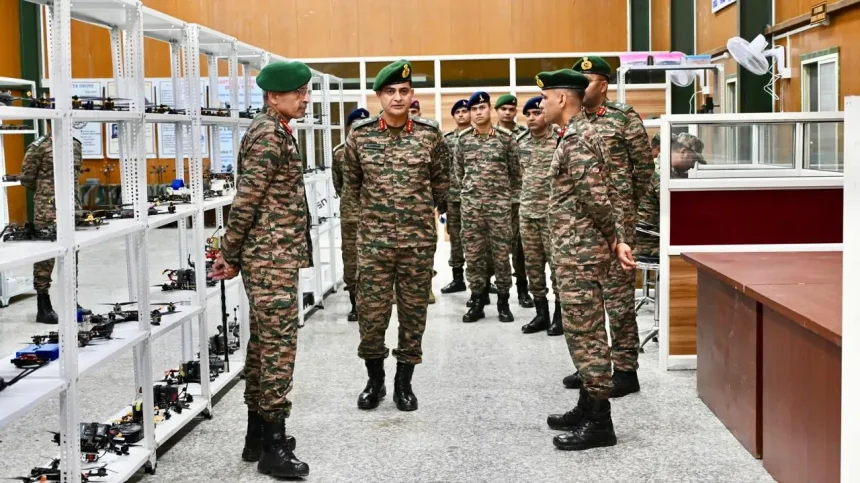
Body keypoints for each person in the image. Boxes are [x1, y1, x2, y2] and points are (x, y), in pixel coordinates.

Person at [210, 60, 313, 479]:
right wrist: (229, 254)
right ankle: (273, 445)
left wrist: (235, 253)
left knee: (263, 345)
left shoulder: (272, 129)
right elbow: (247, 201)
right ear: (275, 96)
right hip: (270, 258)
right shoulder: (270, 135)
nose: (305, 98)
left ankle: (256, 436)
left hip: (272, 255)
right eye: (299, 92)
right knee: (277, 349)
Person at [535, 68, 636, 451]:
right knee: (583, 333)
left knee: (586, 335)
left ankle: (599, 422)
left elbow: (596, 198)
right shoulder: (575, 133)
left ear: (562, 98)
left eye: (546, 97)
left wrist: (614, 239)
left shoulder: (576, 138)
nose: (542, 103)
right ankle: (586, 405)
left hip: (581, 252)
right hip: (577, 248)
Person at [343, 59, 450, 412]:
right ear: (379, 96)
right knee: (371, 316)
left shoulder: (430, 134)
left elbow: (441, 184)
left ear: (412, 95)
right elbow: (352, 189)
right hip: (373, 245)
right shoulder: (360, 135)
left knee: (413, 314)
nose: (398, 98)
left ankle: (404, 382)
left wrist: (416, 215)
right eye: (390, 92)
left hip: (417, 243)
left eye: (404, 91)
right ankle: (375, 380)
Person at [561, 56, 653, 397]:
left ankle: (626, 369)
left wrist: (626, 210)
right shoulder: (573, 120)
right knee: (586, 298)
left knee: (617, 300)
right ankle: (591, 367)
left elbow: (644, 170)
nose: (580, 86)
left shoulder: (623, 118)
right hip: (584, 225)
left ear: (604, 84)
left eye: (587, 79)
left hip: (618, 223)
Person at [455, 92, 521, 323]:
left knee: (502, 256)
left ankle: (503, 302)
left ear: (490, 109)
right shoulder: (463, 140)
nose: (478, 112)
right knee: (473, 256)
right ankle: (477, 300)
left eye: (482, 107)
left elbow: (516, 173)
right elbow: (459, 173)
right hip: (471, 208)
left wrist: (502, 199)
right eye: (474, 109)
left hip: (499, 209)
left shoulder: (506, 139)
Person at [20, 124, 88, 324]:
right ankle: (43, 306)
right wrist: (46, 194)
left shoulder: (75, 145)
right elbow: (26, 178)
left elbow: (75, 177)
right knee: (45, 258)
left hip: (71, 208)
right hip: (47, 210)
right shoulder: (38, 146)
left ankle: (71, 302)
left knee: (71, 255)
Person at [517, 96, 562, 336]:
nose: (532, 118)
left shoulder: (559, 139)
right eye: (529, 115)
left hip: (552, 215)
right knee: (533, 267)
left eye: (537, 113)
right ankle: (541, 314)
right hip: (528, 214)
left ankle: (559, 315)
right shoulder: (520, 142)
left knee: (556, 267)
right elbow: (517, 176)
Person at [494, 94, 533, 309]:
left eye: (511, 109)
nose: (508, 113)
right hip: (496, 199)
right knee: (497, 246)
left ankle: (522, 287)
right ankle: (498, 290)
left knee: (520, 247)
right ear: (496, 110)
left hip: (520, 198)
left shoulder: (524, 134)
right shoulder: (489, 134)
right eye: (504, 109)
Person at [332, 107, 370, 322]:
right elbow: (339, 184)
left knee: (375, 260)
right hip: (350, 215)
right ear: (348, 127)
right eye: (354, 125)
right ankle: (355, 302)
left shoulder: (375, 149)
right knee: (351, 258)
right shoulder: (339, 152)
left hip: (374, 215)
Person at [440, 99, 471, 295]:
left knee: (479, 240)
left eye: (464, 111)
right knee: (456, 239)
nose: (461, 114)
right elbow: (442, 169)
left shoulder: (479, 136)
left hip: (476, 197)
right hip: (453, 196)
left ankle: (484, 279)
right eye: (457, 111)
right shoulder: (447, 139)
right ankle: (457, 277)